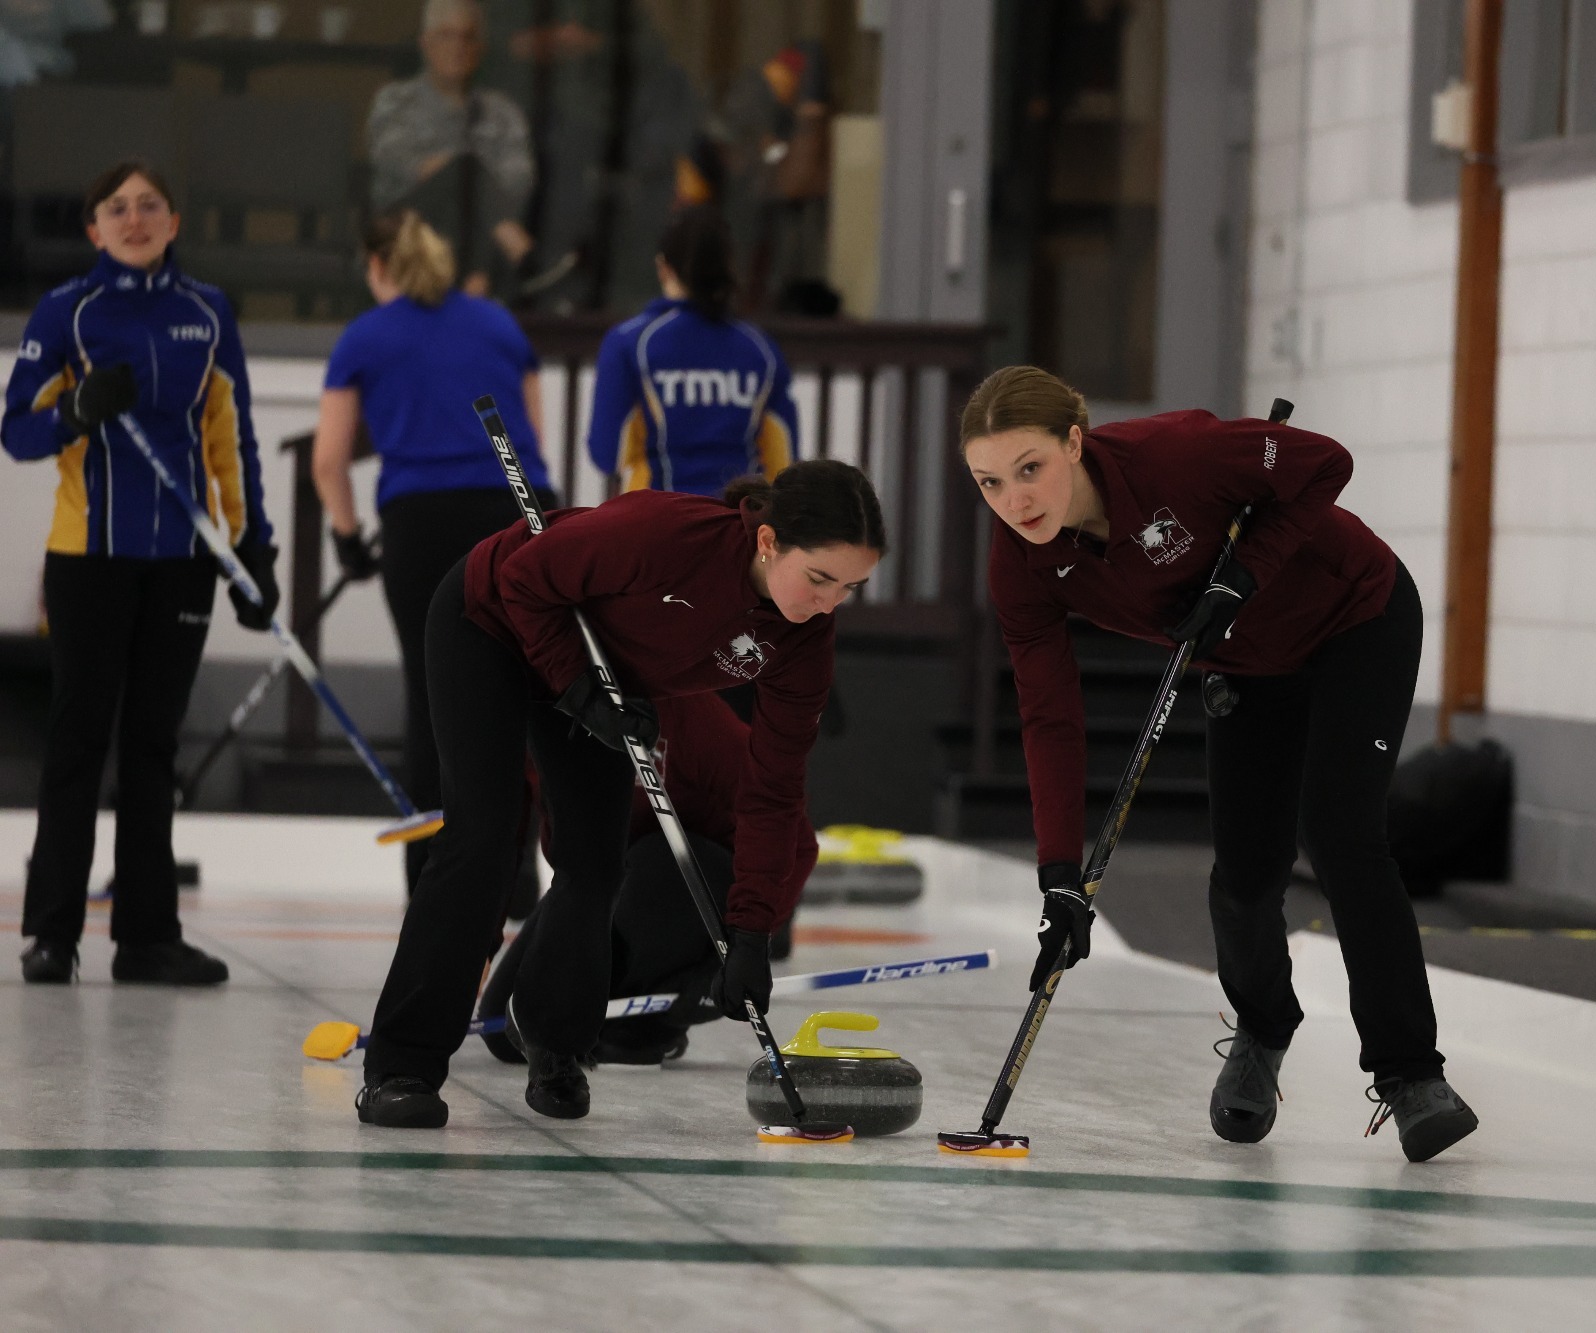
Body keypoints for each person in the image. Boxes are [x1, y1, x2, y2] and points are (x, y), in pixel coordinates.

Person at [960, 365, 1480, 1164]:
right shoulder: (1019, 564)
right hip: (1245, 666)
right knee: (1245, 870)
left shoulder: (1179, 456)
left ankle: (1411, 1074)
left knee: (1341, 836)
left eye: (1030, 468)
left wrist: (1245, 573)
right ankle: (1263, 1030)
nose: (1015, 499)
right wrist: (1060, 872)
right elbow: (1048, 715)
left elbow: (1325, 462)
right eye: (990, 482)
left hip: (1355, 617)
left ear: (1075, 441)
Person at [355, 460, 885, 1129]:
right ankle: (401, 1066)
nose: (830, 602)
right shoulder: (666, 535)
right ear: (770, 541)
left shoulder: (803, 637)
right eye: (820, 578)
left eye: (851, 587)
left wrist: (752, 928)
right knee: (483, 839)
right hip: (490, 621)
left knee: (596, 861)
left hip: (599, 676)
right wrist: (573, 687)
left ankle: (556, 1046)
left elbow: (774, 789)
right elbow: (524, 578)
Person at [3, 161, 279, 986]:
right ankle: (52, 933)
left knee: (153, 745)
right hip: (88, 557)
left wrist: (252, 545)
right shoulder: (67, 312)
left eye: (148, 204)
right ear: (93, 228)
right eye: (116, 208)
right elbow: (15, 431)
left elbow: (232, 436)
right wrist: (76, 412)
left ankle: (147, 936)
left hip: (182, 562)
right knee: (78, 739)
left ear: (173, 220)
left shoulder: (207, 311)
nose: (133, 217)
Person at [312, 208, 555, 900]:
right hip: (512, 513)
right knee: (513, 693)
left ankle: (436, 880)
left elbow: (329, 460)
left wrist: (349, 537)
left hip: (420, 523)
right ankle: (514, 879)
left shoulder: (365, 335)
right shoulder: (498, 324)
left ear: (376, 266)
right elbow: (531, 434)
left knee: (434, 699)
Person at [475, 691, 821, 1066]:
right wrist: (485, 944)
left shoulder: (691, 717)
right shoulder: (548, 713)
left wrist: (747, 947)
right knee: (503, 1030)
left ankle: (649, 1022)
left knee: (658, 858)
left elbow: (798, 842)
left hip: (700, 883)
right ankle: (616, 1014)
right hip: (603, 881)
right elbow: (520, 836)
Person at [586, 207, 797, 499]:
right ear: (729, 268)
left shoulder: (630, 342)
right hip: (739, 526)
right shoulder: (761, 349)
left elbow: (606, 453)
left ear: (663, 266)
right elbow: (784, 460)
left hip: (657, 524)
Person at [368, 0, 535, 294]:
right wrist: (465, 172)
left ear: (480, 48)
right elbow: (401, 164)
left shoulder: (502, 111)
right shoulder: (396, 101)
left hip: (477, 231)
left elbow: (517, 183)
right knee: (464, 172)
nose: (458, 46)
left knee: (468, 199)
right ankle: (501, 269)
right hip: (407, 232)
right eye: (446, 35)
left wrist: (469, 184)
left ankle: (474, 282)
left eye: (467, 36)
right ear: (426, 44)